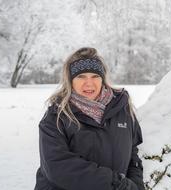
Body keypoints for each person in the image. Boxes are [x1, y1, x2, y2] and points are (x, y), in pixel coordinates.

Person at [34, 47, 144, 190]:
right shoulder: (56, 117)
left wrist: (136, 186)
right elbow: (57, 167)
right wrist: (117, 184)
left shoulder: (122, 109)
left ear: (103, 79)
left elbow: (133, 153)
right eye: (81, 77)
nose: (89, 83)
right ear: (70, 80)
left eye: (95, 76)